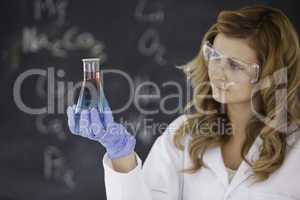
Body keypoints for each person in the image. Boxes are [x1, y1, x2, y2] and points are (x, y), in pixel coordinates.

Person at [66, 5, 300, 200]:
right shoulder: (183, 135)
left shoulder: (295, 150)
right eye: (214, 57)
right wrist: (120, 153)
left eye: (235, 65)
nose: (217, 72)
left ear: (271, 75)